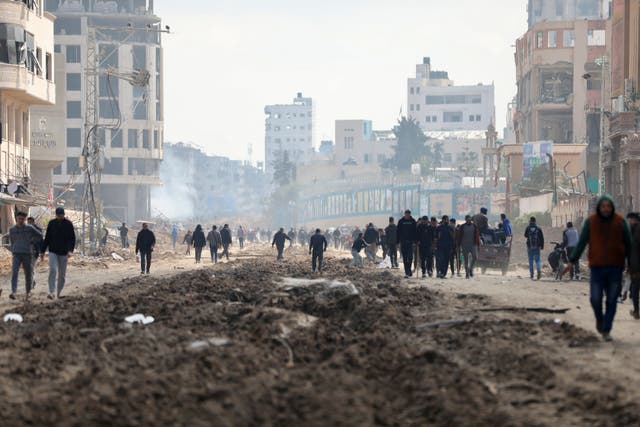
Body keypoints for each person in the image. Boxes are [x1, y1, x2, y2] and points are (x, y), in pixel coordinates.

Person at [567, 195, 632, 341]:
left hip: (616, 267)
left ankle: (606, 330)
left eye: (608, 206)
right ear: (599, 207)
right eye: (603, 206)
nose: (606, 209)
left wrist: (632, 264)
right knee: (595, 299)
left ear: (612, 207)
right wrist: (572, 260)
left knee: (612, 299)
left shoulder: (620, 222)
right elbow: (582, 243)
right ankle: (600, 320)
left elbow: (629, 245)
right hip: (596, 267)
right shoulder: (591, 222)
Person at [41, 207, 76, 300]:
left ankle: (59, 293)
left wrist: (70, 250)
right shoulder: (51, 224)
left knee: (62, 274)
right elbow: (47, 238)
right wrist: (42, 251)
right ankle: (51, 292)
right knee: (53, 270)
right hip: (53, 251)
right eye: (58, 215)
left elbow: (72, 239)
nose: (60, 217)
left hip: (64, 252)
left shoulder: (68, 224)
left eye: (61, 215)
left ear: (64, 215)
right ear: (56, 215)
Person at [9, 212, 42, 300]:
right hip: (16, 253)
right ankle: (14, 292)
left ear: (25, 219)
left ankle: (28, 293)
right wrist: (13, 249)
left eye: (22, 219)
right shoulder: (12, 229)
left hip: (27, 253)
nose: (20, 220)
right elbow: (12, 240)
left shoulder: (29, 228)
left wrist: (32, 242)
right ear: (16, 218)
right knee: (14, 272)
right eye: (19, 218)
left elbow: (40, 235)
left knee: (28, 274)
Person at [458, 215, 480, 279]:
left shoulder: (474, 226)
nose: (469, 220)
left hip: (473, 245)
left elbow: (477, 236)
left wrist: (478, 245)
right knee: (466, 260)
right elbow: (459, 236)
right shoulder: (462, 227)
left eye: (469, 219)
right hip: (464, 245)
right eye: (467, 219)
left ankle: (470, 269)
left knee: (475, 257)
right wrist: (459, 245)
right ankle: (467, 273)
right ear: (465, 220)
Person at [397, 210, 418, 279]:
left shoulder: (413, 221)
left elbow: (415, 231)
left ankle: (409, 269)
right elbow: (398, 232)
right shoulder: (401, 221)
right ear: (405, 214)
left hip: (411, 242)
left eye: (408, 214)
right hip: (403, 242)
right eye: (406, 214)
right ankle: (407, 272)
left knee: (410, 257)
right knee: (405, 258)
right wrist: (397, 242)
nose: (407, 215)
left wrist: (416, 241)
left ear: (409, 214)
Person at [628, 212, 640, 319]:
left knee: (635, 289)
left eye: (630, 220)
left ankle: (637, 311)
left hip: (636, 265)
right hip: (635, 264)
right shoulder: (634, 230)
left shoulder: (636, 231)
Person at [27, 217, 43, 291]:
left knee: (31, 267)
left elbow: (39, 240)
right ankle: (32, 282)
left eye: (30, 222)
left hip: (34, 252)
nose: (29, 224)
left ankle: (30, 284)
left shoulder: (38, 230)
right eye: (28, 222)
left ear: (33, 222)